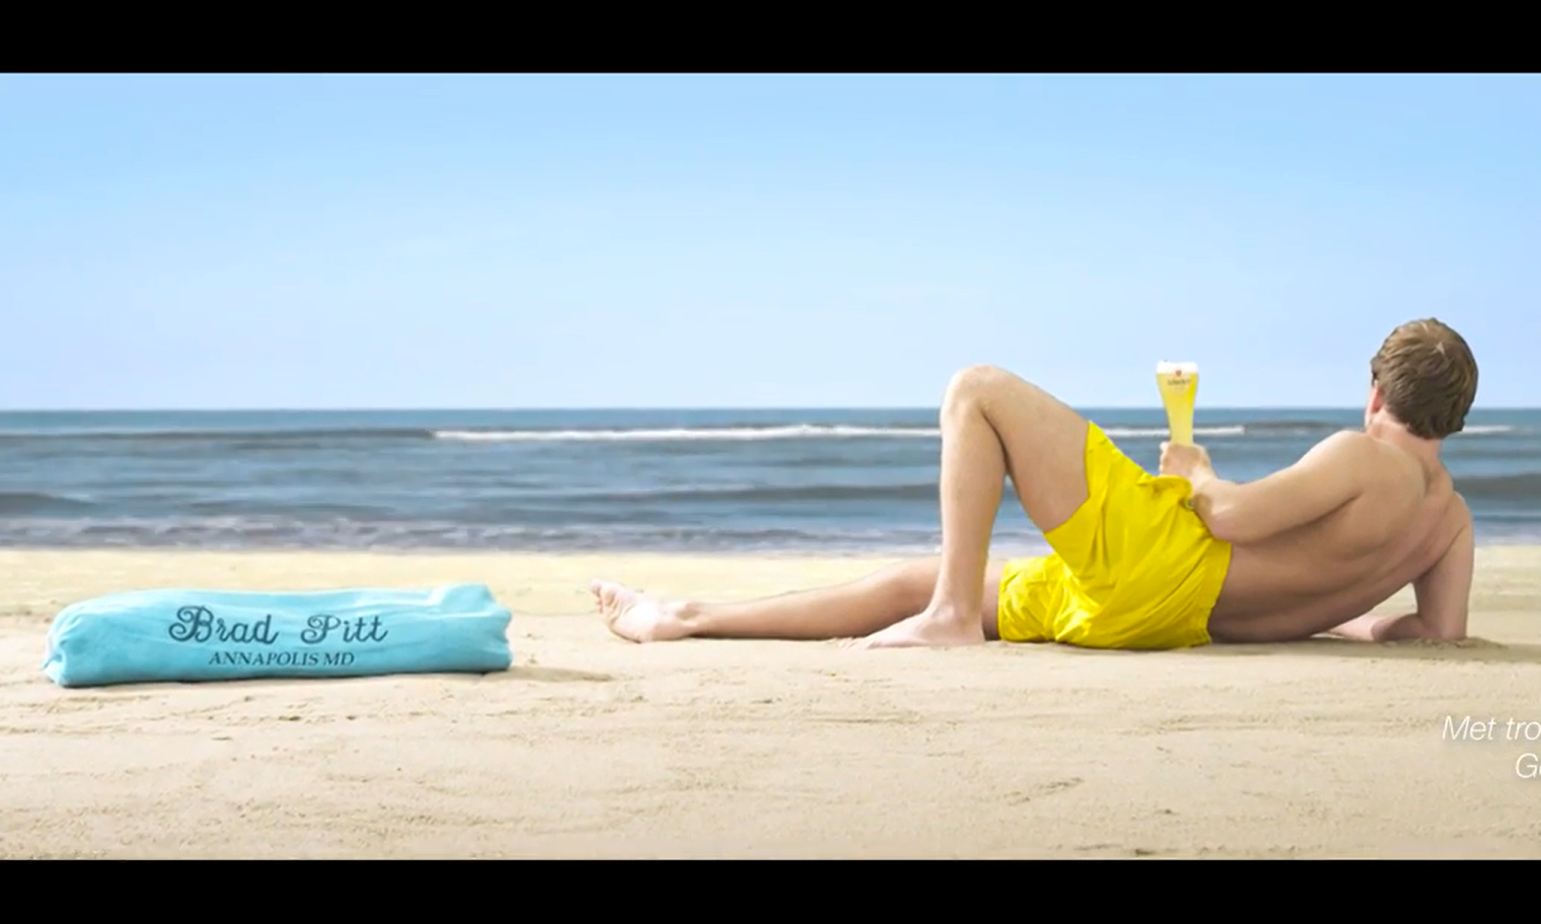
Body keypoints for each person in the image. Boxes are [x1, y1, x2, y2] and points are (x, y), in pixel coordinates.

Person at [591, 319, 1479, 650]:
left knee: (975, 388)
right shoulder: (1449, 523)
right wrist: (1356, 618)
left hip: (1165, 565)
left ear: (1374, 393)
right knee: (920, 580)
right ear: (1459, 413)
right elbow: (1437, 633)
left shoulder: (1364, 454)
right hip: (1168, 625)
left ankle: (944, 622)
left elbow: (1237, 519)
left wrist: (1199, 470)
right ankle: (687, 616)